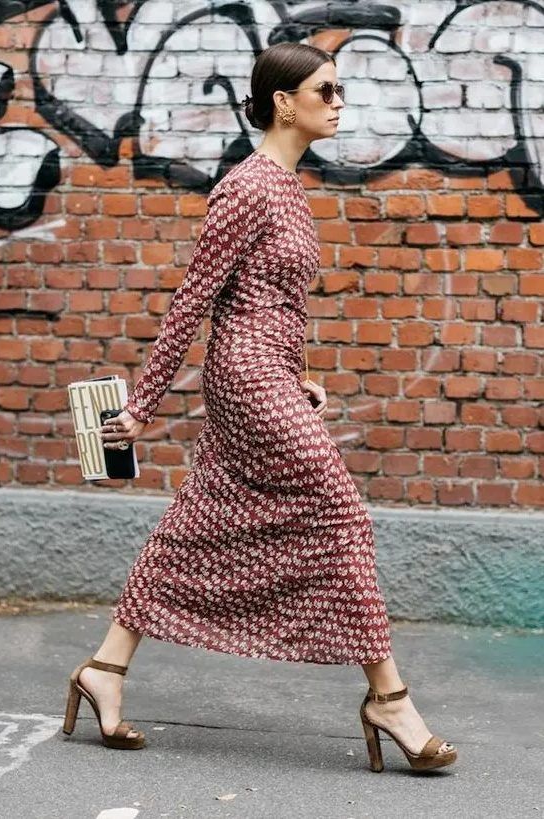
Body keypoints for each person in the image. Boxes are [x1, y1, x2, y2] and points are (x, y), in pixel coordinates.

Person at [62, 42, 457, 772]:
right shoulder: (246, 188)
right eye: (325, 90)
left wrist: (297, 373)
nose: (338, 103)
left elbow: (277, 300)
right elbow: (195, 298)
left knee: (197, 522)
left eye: (338, 90)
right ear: (283, 101)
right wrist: (143, 404)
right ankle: (389, 698)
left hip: (268, 373)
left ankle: (104, 669)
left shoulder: (287, 187)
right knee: (341, 513)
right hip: (244, 378)